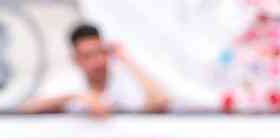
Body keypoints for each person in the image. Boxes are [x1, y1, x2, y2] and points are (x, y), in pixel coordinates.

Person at [23, 22, 170, 116]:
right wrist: (76, 97)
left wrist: (127, 59)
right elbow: (27, 109)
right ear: (76, 60)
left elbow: (161, 101)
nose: (98, 61)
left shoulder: (123, 77)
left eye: (101, 52)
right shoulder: (67, 81)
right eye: (88, 56)